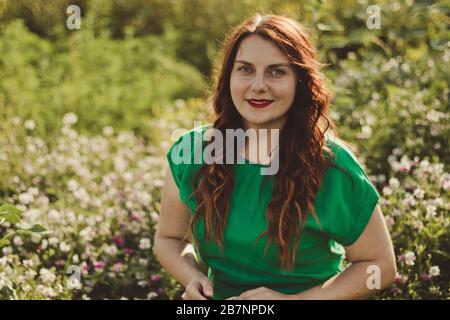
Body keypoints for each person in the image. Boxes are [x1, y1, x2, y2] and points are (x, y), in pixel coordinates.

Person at [153, 13, 396, 300]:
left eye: (276, 72)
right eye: (245, 69)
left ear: (300, 81)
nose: (258, 85)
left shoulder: (332, 165)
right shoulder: (191, 152)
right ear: (228, 76)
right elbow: (168, 239)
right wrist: (192, 278)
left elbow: (380, 266)